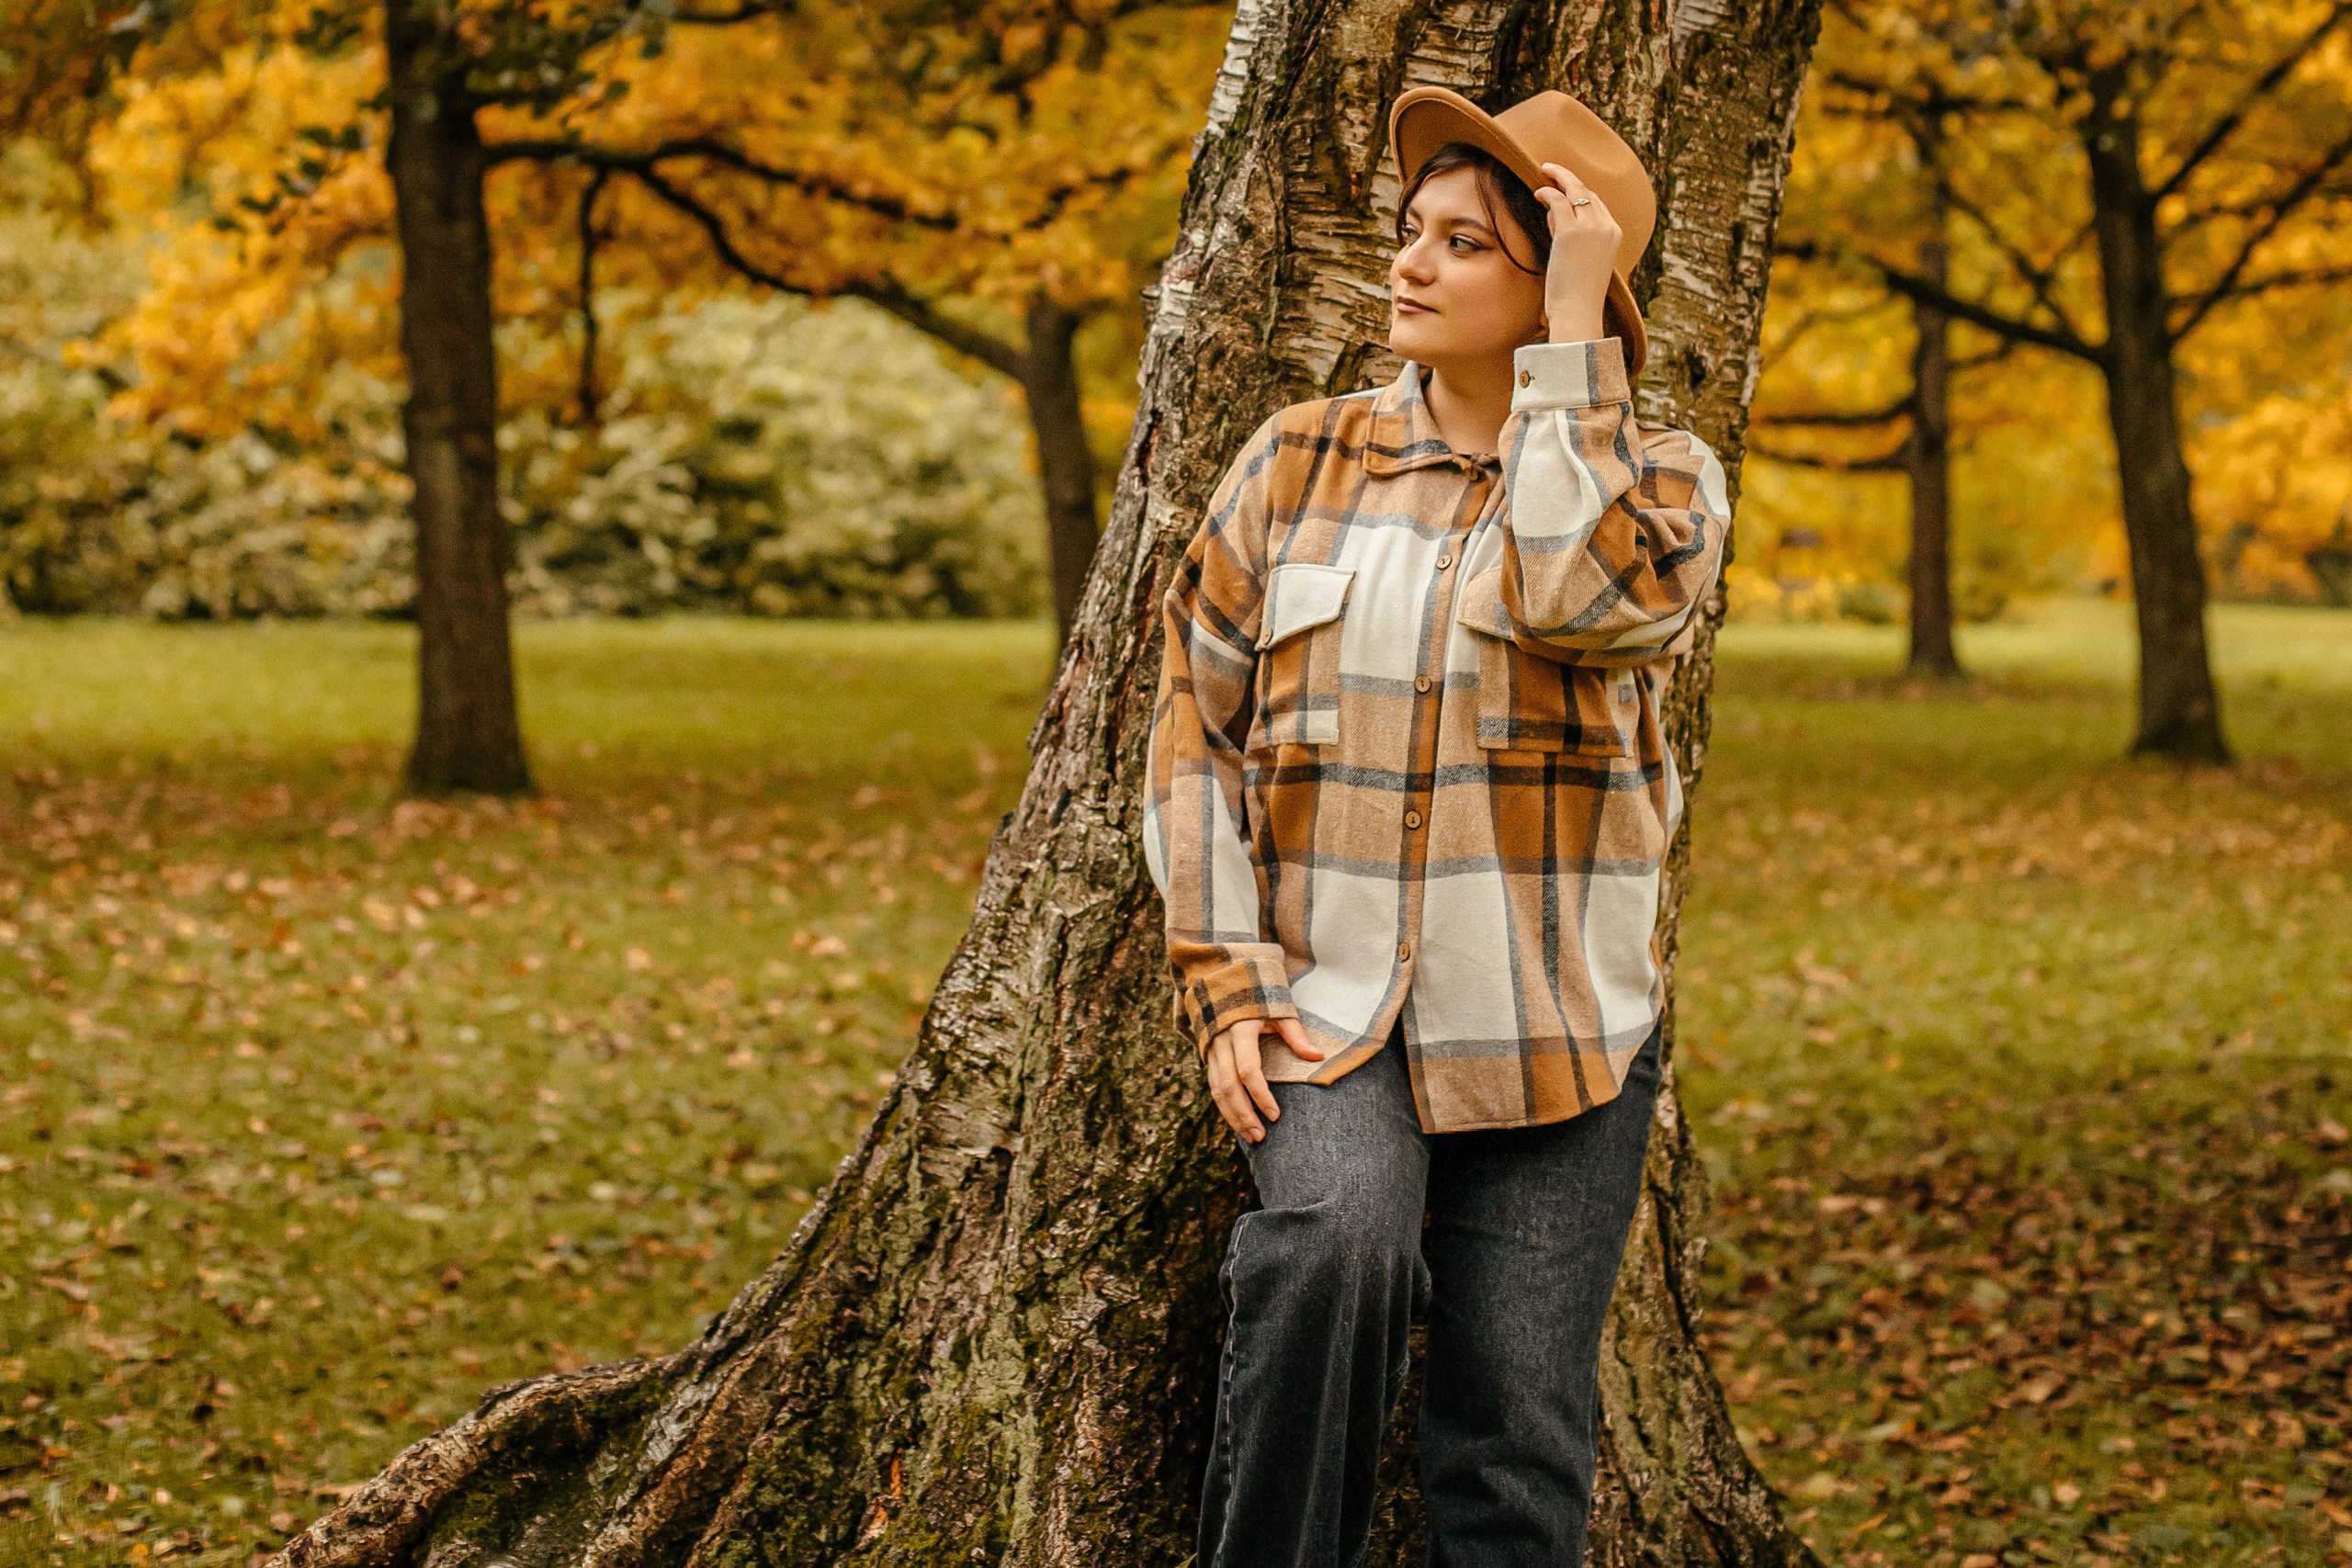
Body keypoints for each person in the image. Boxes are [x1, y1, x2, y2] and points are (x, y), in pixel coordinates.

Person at [1141, 85, 1735, 1567]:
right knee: (1330, 1250)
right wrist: (1224, 980)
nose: (1407, 262)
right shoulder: (1295, 463)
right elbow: (1191, 735)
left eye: (1466, 242)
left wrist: (1571, 364)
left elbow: (1578, 599)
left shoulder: (1661, 485)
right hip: (1331, 1008)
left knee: (1519, 1419)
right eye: (1413, 231)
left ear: (1553, 283)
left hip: (1554, 1027)